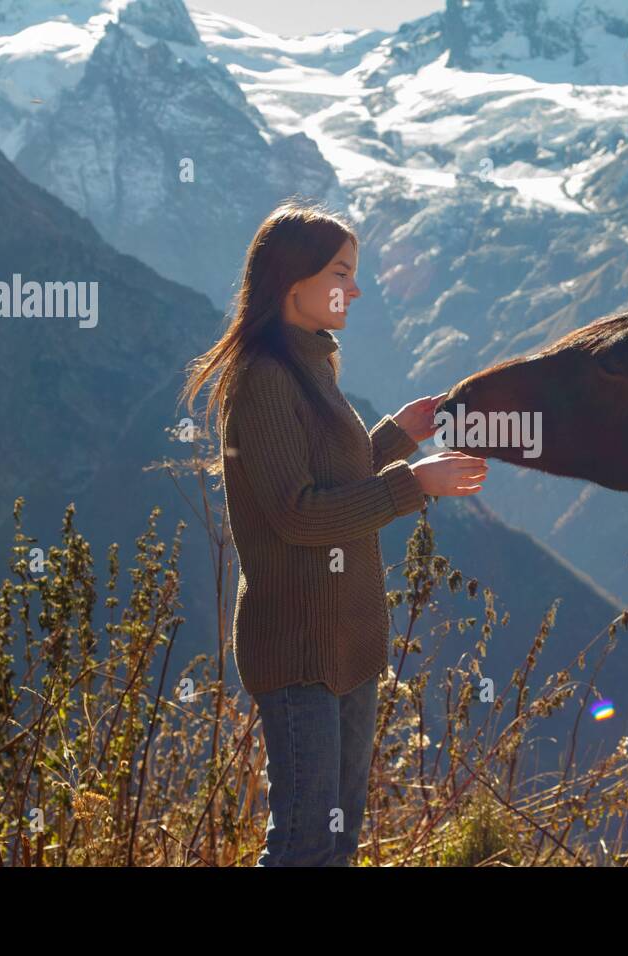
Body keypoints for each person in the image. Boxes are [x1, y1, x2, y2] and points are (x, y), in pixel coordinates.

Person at [180, 200, 487, 865]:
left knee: (339, 842)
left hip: (347, 644)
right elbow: (297, 513)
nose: (356, 288)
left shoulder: (310, 363)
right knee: (301, 843)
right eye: (343, 273)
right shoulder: (263, 379)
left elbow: (330, 481)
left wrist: (398, 436)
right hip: (299, 648)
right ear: (295, 284)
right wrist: (414, 484)